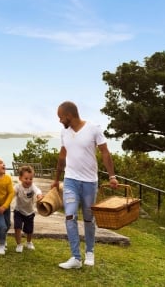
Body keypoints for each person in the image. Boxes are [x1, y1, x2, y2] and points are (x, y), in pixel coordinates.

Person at [51, 101, 118, 269]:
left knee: (88, 218)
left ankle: (90, 252)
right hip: (70, 181)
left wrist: (112, 176)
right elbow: (62, 156)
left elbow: (105, 152)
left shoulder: (93, 128)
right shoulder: (64, 133)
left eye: (61, 117)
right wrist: (56, 178)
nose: (60, 121)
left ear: (69, 116)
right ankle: (75, 258)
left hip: (89, 182)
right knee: (70, 216)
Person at [13, 165, 44, 253]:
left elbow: (38, 190)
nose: (28, 181)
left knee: (29, 230)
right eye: (26, 178)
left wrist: (39, 195)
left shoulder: (32, 186)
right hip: (18, 211)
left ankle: (29, 242)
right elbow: (12, 193)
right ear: (20, 178)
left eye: (30, 179)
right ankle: (19, 244)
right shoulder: (17, 187)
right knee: (17, 227)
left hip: (30, 212)